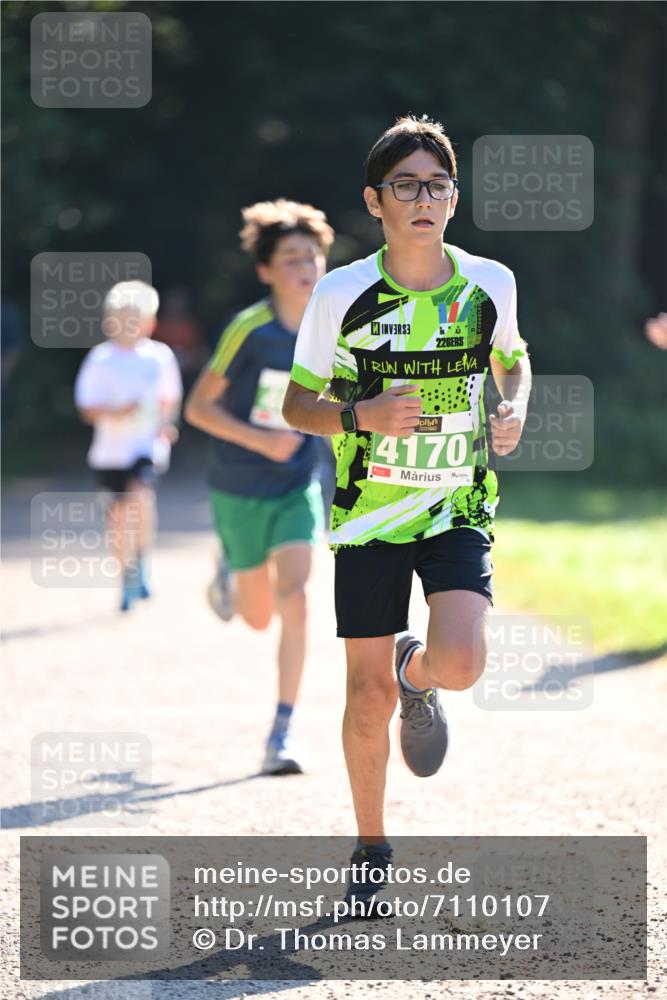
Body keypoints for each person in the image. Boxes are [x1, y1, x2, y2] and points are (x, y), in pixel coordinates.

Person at [283, 115, 532, 912]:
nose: (422, 198)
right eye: (405, 185)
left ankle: (414, 671)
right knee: (363, 701)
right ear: (375, 200)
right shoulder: (340, 293)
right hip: (367, 515)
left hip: (456, 500)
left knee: (460, 663)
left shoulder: (488, 283)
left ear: (452, 198)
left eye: (436, 184)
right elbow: (296, 406)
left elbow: (513, 363)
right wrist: (360, 416)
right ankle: (370, 845)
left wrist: (513, 408)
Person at [184, 199, 335, 776]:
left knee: (295, 600)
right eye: (292, 258)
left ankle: (281, 730)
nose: (305, 267)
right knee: (255, 617)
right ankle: (228, 568)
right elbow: (199, 408)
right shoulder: (249, 328)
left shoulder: (335, 329)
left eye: (312, 256)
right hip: (238, 485)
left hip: (296, 484)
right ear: (266, 270)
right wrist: (260, 440)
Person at [74, 280, 182, 612]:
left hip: (144, 449)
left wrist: (166, 425)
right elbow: (86, 409)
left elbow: (170, 399)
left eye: (136, 317)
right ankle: (127, 575)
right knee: (117, 519)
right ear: (110, 321)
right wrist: (115, 412)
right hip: (109, 454)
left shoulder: (159, 357)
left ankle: (143, 559)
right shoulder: (100, 359)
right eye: (122, 317)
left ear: (150, 322)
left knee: (140, 498)